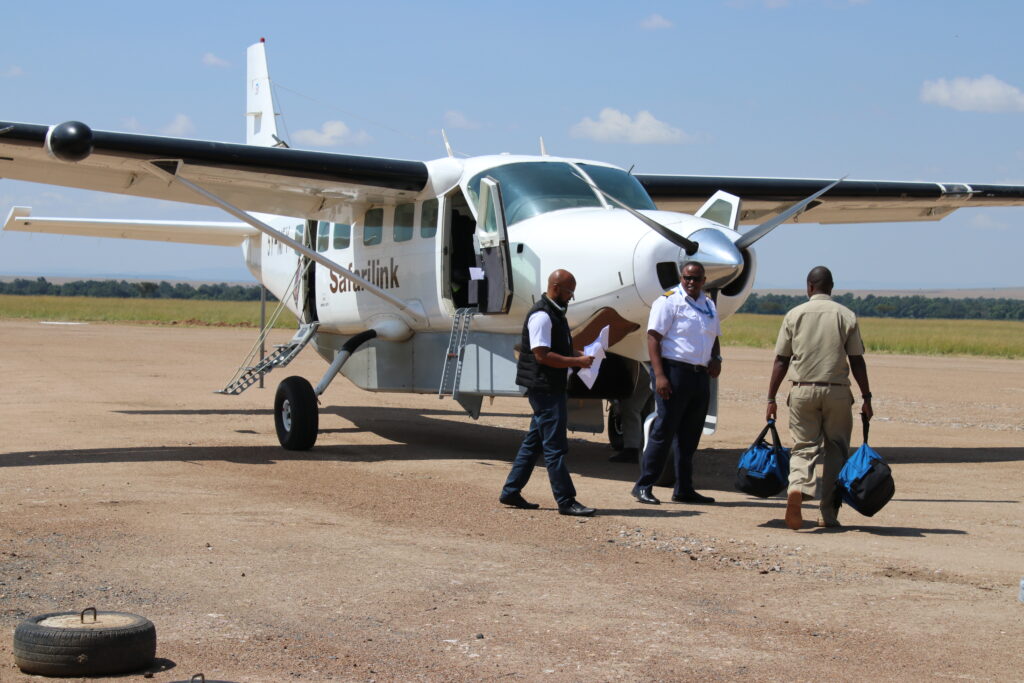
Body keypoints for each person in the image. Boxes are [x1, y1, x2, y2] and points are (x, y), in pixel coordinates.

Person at [766, 266, 873, 530]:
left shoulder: (794, 315)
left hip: (802, 389)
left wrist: (771, 397)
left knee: (804, 446)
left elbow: (781, 359)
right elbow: (857, 359)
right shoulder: (845, 314)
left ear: (809, 287)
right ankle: (828, 512)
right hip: (836, 391)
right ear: (831, 287)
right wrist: (867, 396)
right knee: (837, 449)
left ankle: (798, 489)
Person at [500, 269, 597, 516]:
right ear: (556, 287)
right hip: (545, 388)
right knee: (555, 447)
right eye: (569, 292)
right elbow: (542, 355)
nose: (571, 297)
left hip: (549, 387)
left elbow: (556, 348)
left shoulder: (556, 312)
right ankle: (566, 500)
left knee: (534, 443)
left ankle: (511, 491)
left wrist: (579, 356)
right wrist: (576, 362)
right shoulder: (542, 315)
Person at [631, 261, 722, 506]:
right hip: (674, 372)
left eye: (696, 278)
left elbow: (713, 337)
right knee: (664, 431)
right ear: (681, 278)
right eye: (686, 278)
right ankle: (644, 485)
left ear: (704, 280)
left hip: (699, 375)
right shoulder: (669, 301)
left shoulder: (709, 305)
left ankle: (684, 488)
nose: (691, 282)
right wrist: (659, 375)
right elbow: (653, 338)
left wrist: (717, 357)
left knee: (689, 436)